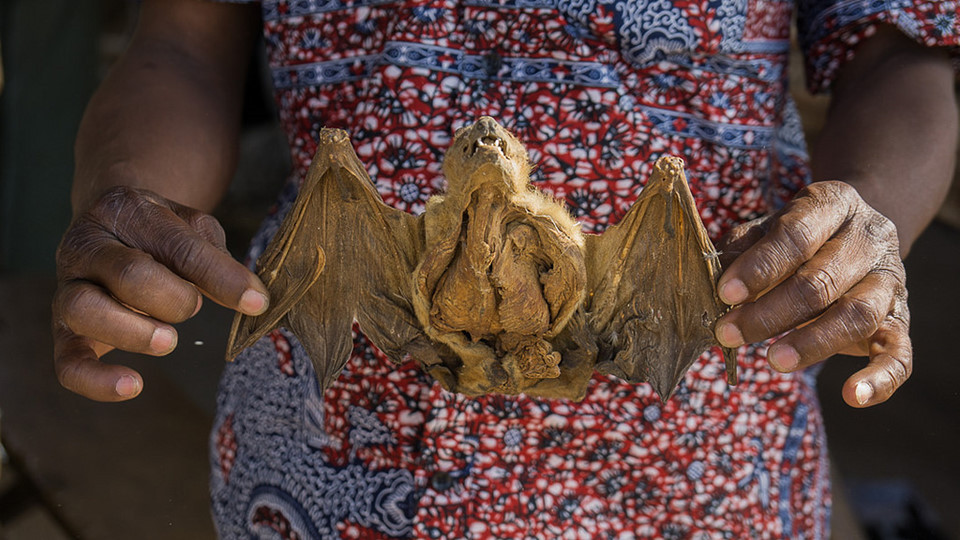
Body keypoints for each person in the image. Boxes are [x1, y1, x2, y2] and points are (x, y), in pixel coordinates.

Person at [53, 0, 958, 537]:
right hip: (338, 447)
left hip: (693, 450)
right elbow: (182, 38)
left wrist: (867, 208)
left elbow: (903, 54)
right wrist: (135, 200)